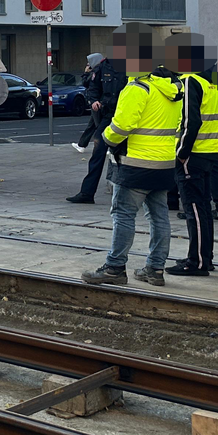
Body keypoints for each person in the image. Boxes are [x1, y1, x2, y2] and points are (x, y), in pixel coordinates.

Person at [82, 27, 182, 287]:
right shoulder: (171, 88)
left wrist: (106, 138)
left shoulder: (137, 88)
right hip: (163, 164)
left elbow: (121, 126)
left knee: (124, 214)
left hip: (135, 164)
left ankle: (115, 268)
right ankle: (155, 269)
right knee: (159, 217)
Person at [166, 34, 218, 277]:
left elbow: (192, 121)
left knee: (194, 209)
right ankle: (204, 257)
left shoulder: (190, 81)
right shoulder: (210, 84)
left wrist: (181, 153)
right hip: (210, 152)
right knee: (202, 208)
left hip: (194, 154)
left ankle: (197, 262)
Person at [67, 50, 127, 204]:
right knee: (97, 153)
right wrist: (94, 100)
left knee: (127, 155)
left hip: (127, 117)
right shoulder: (103, 66)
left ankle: (131, 193)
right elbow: (93, 87)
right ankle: (87, 193)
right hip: (108, 115)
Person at [71, 53, 104, 151]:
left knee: (99, 125)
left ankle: (105, 146)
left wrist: (86, 73)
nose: (88, 65)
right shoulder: (101, 71)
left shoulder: (96, 72)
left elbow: (86, 83)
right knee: (93, 124)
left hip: (97, 102)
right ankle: (82, 144)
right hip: (98, 101)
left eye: (89, 63)